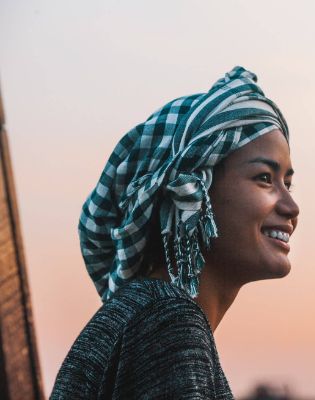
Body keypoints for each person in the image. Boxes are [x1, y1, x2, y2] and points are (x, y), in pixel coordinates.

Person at [50, 67, 299, 399]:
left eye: (288, 183)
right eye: (265, 178)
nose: (291, 206)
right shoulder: (168, 322)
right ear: (193, 191)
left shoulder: (152, 313)